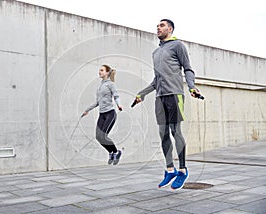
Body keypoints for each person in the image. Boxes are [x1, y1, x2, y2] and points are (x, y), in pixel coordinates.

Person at [133, 19, 202, 190]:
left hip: (175, 94)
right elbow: (156, 80)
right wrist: (142, 94)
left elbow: (188, 68)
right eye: (157, 26)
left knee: (175, 131)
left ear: (170, 29)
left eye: (162, 26)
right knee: (162, 133)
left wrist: (192, 87)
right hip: (160, 97)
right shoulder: (156, 53)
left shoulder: (178, 46)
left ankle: (183, 170)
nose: (158, 27)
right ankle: (170, 170)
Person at [83, 65, 123, 165]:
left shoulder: (110, 84)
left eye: (102, 70)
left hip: (110, 113)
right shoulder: (100, 86)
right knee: (98, 136)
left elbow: (116, 96)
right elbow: (97, 102)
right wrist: (87, 110)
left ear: (107, 72)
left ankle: (117, 152)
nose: (99, 72)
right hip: (102, 115)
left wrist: (119, 105)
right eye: (99, 70)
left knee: (104, 136)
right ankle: (111, 152)